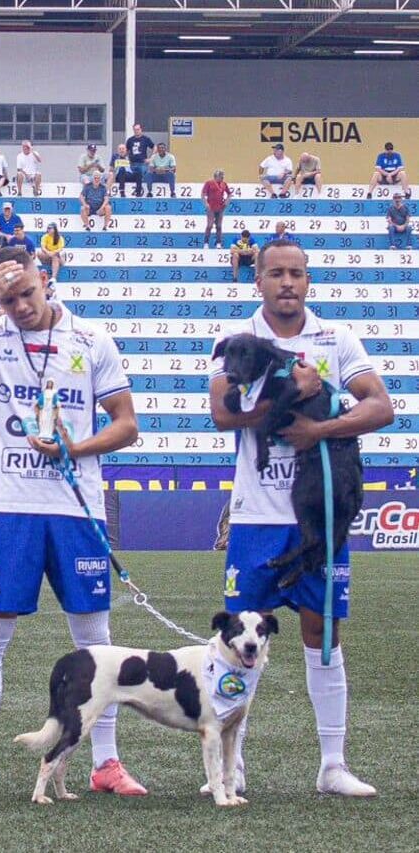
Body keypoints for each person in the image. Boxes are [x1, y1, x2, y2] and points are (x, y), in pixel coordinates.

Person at [0, 245, 144, 799]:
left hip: (75, 508)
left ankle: (106, 762)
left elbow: (127, 425)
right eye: (8, 300)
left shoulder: (90, 340)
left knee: (95, 641)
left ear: (44, 279)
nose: (21, 306)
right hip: (9, 507)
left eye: (27, 293)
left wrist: (76, 448)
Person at [208, 238, 393, 799]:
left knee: (323, 632)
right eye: (276, 273)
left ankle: (332, 765)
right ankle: (230, 767)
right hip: (257, 516)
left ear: (308, 280)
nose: (287, 282)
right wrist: (291, 396)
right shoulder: (238, 339)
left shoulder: (336, 339)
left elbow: (380, 406)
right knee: (239, 640)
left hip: (320, 511)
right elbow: (222, 414)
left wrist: (318, 429)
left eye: (296, 273)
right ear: (258, 280)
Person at [201, 169, 231, 249]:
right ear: (216, 176)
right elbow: (203, 194)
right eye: (221, 176)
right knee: (210, 225)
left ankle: (218, 243)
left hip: (220, 207)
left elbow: (229, 194)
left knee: (219, 225)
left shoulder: (224, 184)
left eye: (223, 176)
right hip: (211, 207)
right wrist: (206, 204)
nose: (222, 178)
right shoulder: (209, 183)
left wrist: (226, 203)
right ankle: (206, 243)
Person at [124, 123, 154, 197]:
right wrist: (123, 158)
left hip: (142, 163)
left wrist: (151, 158)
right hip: (132, 164)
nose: (136, 131)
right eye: (135, 130)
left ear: (141, 129)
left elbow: (154, 147)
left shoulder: (146, 139)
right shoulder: (130, 140)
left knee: (141, 175)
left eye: (138, 129)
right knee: (133, 177)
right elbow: (126, 151)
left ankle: (140, 192)